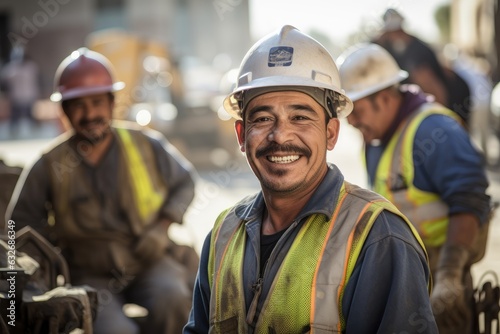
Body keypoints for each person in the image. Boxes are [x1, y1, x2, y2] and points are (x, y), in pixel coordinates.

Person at [184, 25, 438, 334]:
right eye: (263, 119)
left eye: (300, 117)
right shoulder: (224, 235)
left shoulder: (379, 239)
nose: (280, 136)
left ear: (331, 133)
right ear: (241, 135)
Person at [6, 48, 197, 334]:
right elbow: (16, 224)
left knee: (173, 297)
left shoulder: (145, 144)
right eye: (78, 106)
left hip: (149, 259)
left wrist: (162, 226)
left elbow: (186, 182)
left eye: (97, 102)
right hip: (88, 275)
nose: (90, 113)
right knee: (116, 330)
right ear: (65, 110)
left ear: (111, 103)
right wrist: (51, 258)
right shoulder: (49, 163)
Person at [337, 43, 492, 334]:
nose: (351, 121)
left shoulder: (435, 131)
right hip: (405, 279)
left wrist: (449, 275)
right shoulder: (376, 140)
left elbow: (470, 199)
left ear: (382, 98)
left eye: (355, 110)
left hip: (442, 280)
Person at [372, 8, 472, 127]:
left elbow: (436, 93)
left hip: (455, 104)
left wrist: (441, 125)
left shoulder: (414, 53)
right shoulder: (403, 48)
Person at [0, 44, 41, 135]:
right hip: (17, 97)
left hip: (27, 96)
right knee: (15, 118)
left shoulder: (29, 67)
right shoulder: (13, 69)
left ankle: (34, 132)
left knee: (30, 116)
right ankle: (14, 134)